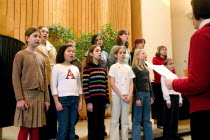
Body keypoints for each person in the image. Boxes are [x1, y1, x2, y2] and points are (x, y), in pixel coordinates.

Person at [164, 0, 210, 139]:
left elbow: (197, 83)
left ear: (196, 12)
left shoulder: (201, 36)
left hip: (205, 111)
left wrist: (173, 83)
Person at [12, 27, 50, 140]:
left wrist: (46, 99)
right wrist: (19, 99)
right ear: (27, 38)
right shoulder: (20, 55)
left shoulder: (41, 58)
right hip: (26, 96)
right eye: (35, 36)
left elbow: (45, 80)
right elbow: (15, 78)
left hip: (39, 97)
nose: (38, 38)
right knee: (25, 128)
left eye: (39, 36)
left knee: (36, 128)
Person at [51, 44, 83, 140]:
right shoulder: (57, 67)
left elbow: (79, 86)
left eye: (73, 51)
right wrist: (56, 102)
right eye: (69, 51)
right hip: (62, 100)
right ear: (62, 53)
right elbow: (53, 86)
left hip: (75, 100)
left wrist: (81, 101)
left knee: (71, 127)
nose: (72, 53)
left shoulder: (75, 68)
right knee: (63, 127)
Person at [83, 45, 110, 140]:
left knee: (100, 123)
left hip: (102, 99)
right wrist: (88, 102)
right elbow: (85, 86)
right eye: (97, 51)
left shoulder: (102, 68)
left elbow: (106, 85)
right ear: (91, 53)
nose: (99, 52)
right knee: (92, 124)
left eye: (100, 51)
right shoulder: (87, 68)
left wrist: (107, 100)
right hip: (92, 100)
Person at [109, 46, 135, 140]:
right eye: (120, 53)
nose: (122, 54)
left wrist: (129, 95)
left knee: (125, 121)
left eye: (124, 53)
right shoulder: (113, 67)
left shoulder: (128, 67)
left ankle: (125, 138)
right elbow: (112, 83)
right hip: (117, 95)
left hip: (127, 96)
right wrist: (121, 95)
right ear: (116, 55)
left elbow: (131, 82)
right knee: (115, 120)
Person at [36, 26, 57, 140]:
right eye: (43, 31)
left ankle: (53, 135)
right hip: (41, 83)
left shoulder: (52, 48)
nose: (45, 33)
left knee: (53, 110)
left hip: (53, 82)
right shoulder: (35, 47)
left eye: (47, 32)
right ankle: (43, 135)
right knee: (43, 110)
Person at [131, 49, 154, 140]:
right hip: (139, 95)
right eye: (143, 53)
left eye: (145, 53)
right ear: (137, 56)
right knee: (137, 119)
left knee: (147, 119)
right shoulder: (134, 68)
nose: (145, 54)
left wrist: (152, 95)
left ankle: (149, 138)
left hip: (147, 94)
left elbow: (149, 83)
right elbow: (133, 84)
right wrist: (136, 97)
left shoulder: (146, 69)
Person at [161, 59, 183, 140]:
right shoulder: (163, 76)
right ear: (165, 66)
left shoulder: (174, 75)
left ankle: (175, 134)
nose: (172, 65)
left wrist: (180, 98)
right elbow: (164, 88)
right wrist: (167, 100)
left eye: (173, 63)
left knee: (175, 117)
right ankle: (167, 136)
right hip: (169, 97)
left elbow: (178, 87)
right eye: (170, 64)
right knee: (168, 118)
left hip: (176, 97)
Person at [66, 39, 81, 139]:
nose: (72, 49)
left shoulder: (77, 62)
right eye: (69, 46)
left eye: (73, 46)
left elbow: (80, 77)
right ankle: (66, 133)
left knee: (75, 116)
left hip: (75, 92)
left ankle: (71, 131)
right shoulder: (60, 62)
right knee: (65, 117)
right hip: (65, 92)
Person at [152, 45, 168, 129]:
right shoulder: (155, 59)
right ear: (159, 50)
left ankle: (166, 121)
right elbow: (157, 70)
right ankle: (160, 122)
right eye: (163, 49)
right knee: (160, 103)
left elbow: (171, 69)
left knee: (166, 102)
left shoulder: (167, 60)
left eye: (166, 49)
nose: (164, 51)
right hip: (159, 83)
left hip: (167, 83)